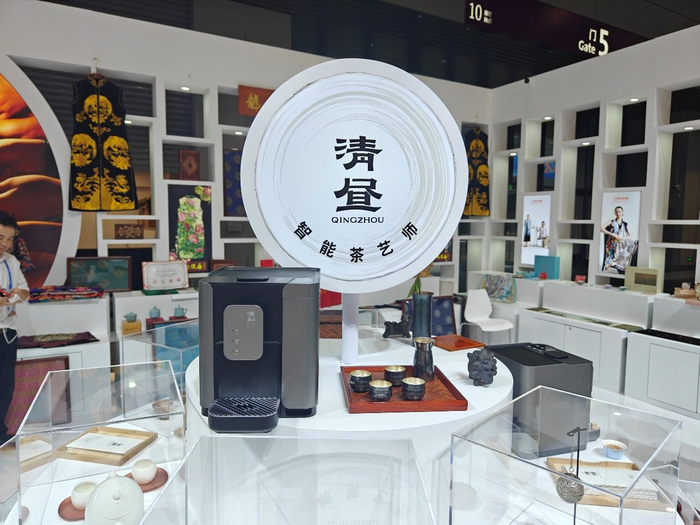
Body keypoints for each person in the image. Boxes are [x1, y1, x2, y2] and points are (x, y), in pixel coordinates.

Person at [0, 211, 29, 444]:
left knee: (5, 387)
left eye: (10, 239)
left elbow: (25, 291)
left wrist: (17, 295)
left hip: (8, 332)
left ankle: (1, 435)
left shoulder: (11, 261)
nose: (5, 244)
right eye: (1, 238)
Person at [601, 205, 635, 273]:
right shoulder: (611, 222)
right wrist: (612, 234)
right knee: (614, 255)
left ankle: (622, 269)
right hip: (612, 244)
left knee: (630, 249)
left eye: (619, 212)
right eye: (616, 212)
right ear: (615, 213)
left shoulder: (625, 224)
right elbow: (601, 228)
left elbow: (630, 236)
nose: (618, 213)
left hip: (621, 244)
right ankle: (615, 267)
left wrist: (623, 238)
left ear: (622, 212)